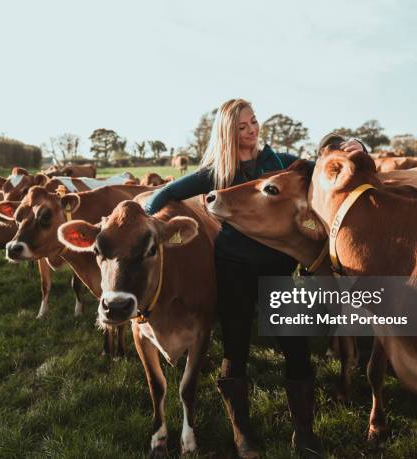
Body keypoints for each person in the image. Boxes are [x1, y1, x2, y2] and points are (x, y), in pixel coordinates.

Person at [145, 98, 366, 458]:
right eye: (242, 126)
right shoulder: (217, 172)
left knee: (294, 346)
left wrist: (355, 149)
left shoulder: (277, 163)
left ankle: (304, 433)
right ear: (228, 132)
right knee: (236, 348)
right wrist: (139, 215)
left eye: (253, 122)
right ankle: (242, 432)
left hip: (278, 267)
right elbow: (164, 194)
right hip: (233, 268)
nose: (251, 130)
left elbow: (328, 168)